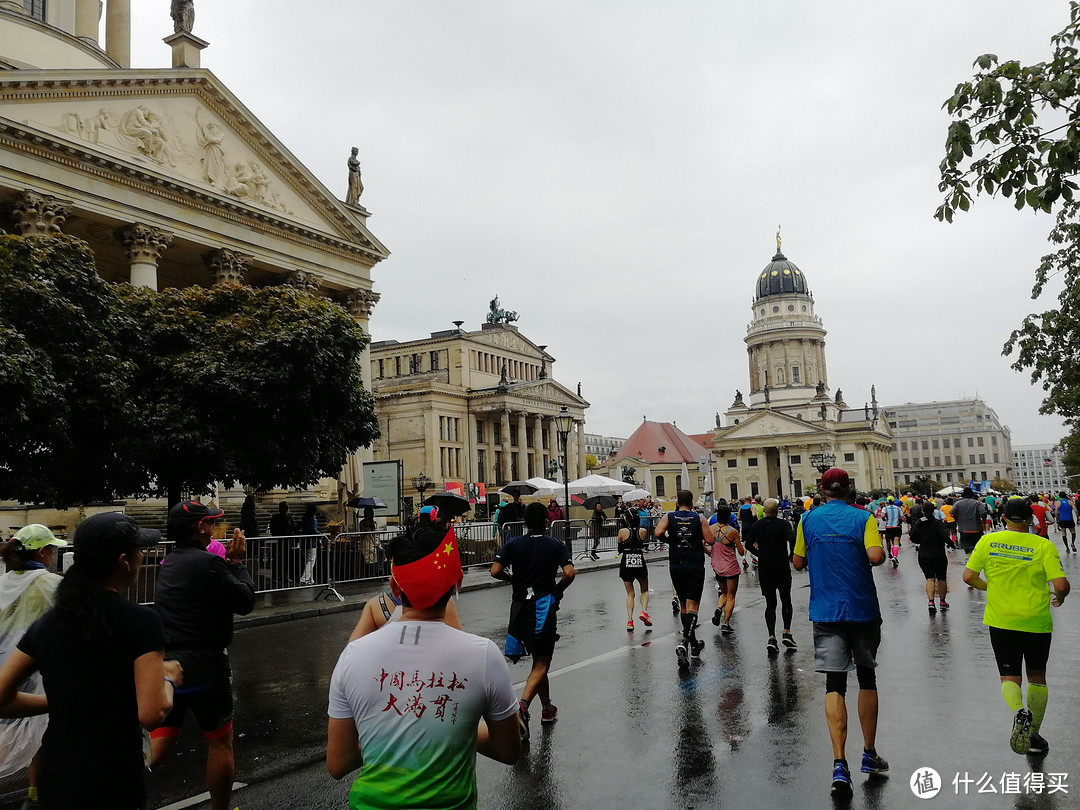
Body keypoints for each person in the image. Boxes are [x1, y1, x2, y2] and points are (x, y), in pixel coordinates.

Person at [327, 513, 520, 808]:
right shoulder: (483, 656)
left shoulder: (353, 655)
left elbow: (338, 763)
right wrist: (454, 727)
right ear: (458, 583)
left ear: (394, 588)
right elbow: (509, 751)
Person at [0, 512, 180, 810]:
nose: (141, 557)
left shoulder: (49, 624)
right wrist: (169, 678)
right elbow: (152, 712)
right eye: (139, 551)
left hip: (55, 777)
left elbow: (2, 698)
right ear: (124, 561)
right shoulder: (141, 622)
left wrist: (59, 701)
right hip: (114, 778)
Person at [150, 501, 255, 810]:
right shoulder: (207, 563)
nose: (214, 528)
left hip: (170, 666)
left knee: (159, 742)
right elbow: (245, 599)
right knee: (220, 740)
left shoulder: (170, 563)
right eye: (211, 523)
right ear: (200, 528)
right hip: (206, 666)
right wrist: (237, 562)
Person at [792, 469, 888, 796]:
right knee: (867, 677)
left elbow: (797, 562)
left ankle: (839, 765)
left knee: (834, 682)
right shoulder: (864, 518)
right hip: (862, 607)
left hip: (826, 608)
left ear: (822, 490)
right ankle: (870, 754)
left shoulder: (808, 520)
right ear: (849, 490)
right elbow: (876, 555)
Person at [963, 497, 1070, 756]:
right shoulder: (1042, 545)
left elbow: (968, 577)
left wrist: (990, 587)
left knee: (1009, 677)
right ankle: (1033, 733)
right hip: (1036, 621)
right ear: (1031, 519)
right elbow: (1061, 585)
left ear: (1004, 518)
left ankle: (1018, 711)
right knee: (1037, 676)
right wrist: (1060, 597)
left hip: (1002, 620)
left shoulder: (988, 542)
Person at [490, 502, 576, 740]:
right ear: (546, 522)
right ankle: (524, 706)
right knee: (541, 661)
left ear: (525, 523)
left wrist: (513, 580)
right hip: (542, 607)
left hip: (519, 607)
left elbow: (495, 570)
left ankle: (546, 708)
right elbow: (569, 573)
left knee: (538, 661)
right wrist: (557, 591)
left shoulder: (513, 543)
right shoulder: (555, 544)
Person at [0, 526, 67, 805]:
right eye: (52, 549)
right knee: (41, 735)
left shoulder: (3, 583)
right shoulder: (53, 584)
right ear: (42, 552)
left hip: (5, 669)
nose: (53, 554)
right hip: (36, 670)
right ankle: (35, 795)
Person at [654, 490, 712, 669]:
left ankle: (694, 645)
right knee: (693, 606)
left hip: (676, 564)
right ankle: (684, 643)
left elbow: (657, 533)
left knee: (684, 605)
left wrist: (670, 540)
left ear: (677, 502)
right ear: (692, 502)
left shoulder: (669, 516)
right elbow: (710, 539)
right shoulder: (699, 518)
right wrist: (698, 538)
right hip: (694, 564)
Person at [744, 499, 798, 652]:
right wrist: (791, 553)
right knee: (786, 599)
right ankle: (787, 632)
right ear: (777, 510)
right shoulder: (783, 524)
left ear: (765, 511)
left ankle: (771, 637)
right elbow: (792, 538)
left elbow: (748, 544)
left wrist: (759, 554)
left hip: (765, 567)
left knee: (770, 603)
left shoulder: (757, 525)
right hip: (781, 566)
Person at [707, 505, 745, 635]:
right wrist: (742, 548)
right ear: (729, 516)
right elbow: (740, 552)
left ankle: (719, 608)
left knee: (723, 593)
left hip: (717, 566)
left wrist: (709, 553)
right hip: (730, 566)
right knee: (731, 595)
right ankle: (726, 623)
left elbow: (702, 544)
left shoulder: (710, 529)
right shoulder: (733, 531)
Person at [909, 503, 950, 615]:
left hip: (924, 554)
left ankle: (931, 602)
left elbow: (913, 537)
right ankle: (942, 602)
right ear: (934, 511)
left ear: (923, 511)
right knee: (941, 578)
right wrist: (951, 544)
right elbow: (944, 536)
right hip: (939, 554)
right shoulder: (938, 523)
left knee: (930, 578)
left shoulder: (919, 524)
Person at [617, 510, 650, 631]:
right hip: (639, 559)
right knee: (644, 589)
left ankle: (630, 621)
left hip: (626, 560)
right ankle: (644, 612)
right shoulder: (643, 531)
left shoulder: (622, 532)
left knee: (630, 593)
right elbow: (641, 544)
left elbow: (619, 549)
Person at [952, 488, 988, 554]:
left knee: (967, 547)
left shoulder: (957, 504)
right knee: (977, 547)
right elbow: (983, 513)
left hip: (963, 529)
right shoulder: (977, 503)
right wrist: (983, 522)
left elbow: (952, 513)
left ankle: (969, 558)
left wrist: (957, 519)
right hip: (976, 529)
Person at [299, 504, 320, 586]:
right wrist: (321, 534)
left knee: (308, 560)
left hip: (304, 542)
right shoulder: (313, 520)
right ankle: (304, 578)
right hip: (311, 543)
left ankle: (310, 579)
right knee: (311, 561)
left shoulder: (305, 519)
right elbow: (313, 530)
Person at [881, 497, 904, 568]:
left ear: (887, 502)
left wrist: (884, 518)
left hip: (888, 527)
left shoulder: (885, 508)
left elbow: (882, 516)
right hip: (897, 527)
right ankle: (894, 556)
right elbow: (902, 517)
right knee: (896, 542)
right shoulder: (898, 508)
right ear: (894, 502)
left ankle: (892, 556)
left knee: (891, 542)